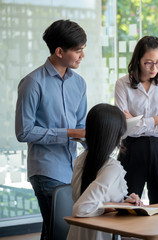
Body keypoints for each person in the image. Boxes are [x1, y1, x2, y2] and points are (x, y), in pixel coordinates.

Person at [15, 19, 87, 240]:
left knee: (55, 232)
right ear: (59, 51)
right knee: (61, 232)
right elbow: (23, 132)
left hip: (71, 170)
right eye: (78, 51)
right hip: (45, 170)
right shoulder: (32, 83)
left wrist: (104, 137)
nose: (82, 56)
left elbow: (81, 127)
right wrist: (67, 133)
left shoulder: (79, 83)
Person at [114, 36, 158, 204]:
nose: (154, 68)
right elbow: (125, 128)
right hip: (131, 149)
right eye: (148, 62)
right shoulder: (123, 84)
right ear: (138, 60)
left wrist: (138, 122)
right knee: (128, 204)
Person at [67, 103, 142, 240]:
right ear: (114, 136)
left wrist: (124, 202)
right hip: (100, 234)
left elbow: (96, 198)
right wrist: (116, 205)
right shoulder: (111, 168)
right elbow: (82, 208)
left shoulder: (81, 159)